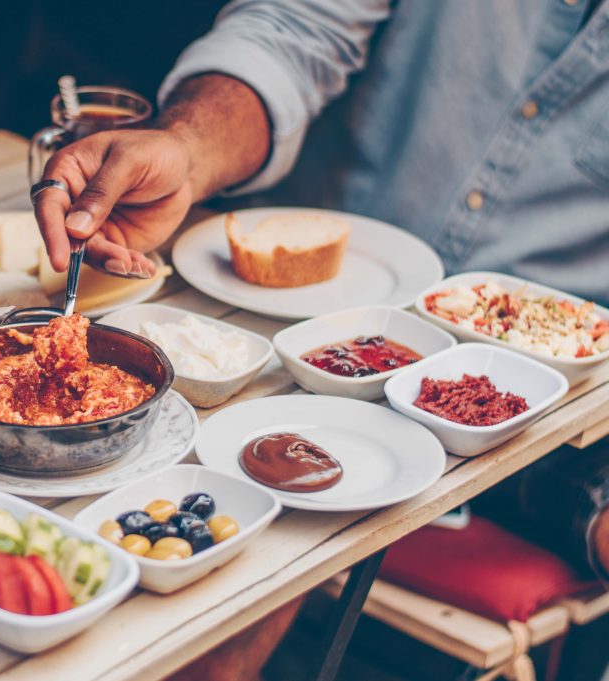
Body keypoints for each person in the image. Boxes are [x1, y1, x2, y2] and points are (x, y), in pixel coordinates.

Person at [32, 1, 609, 678]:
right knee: (204, 617)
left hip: (567, 399)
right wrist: (188, 148)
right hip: (301, 336)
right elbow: (295, 28)